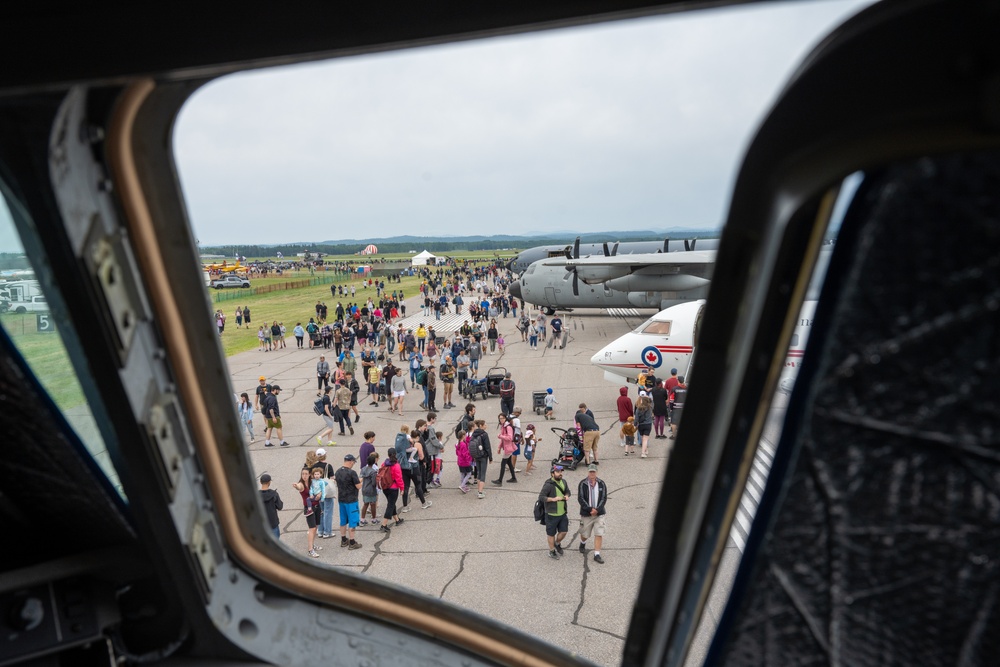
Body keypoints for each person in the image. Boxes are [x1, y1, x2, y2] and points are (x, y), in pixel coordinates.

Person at [577, 464, 608, 563]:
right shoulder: (583, 483)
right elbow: (580, 498)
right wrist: (590, 509)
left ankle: (597, 554)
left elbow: (604, 498)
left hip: (599, 514)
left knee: (599, 533)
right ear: (588, 472)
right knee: (585, 534)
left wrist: (597, 510)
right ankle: (583, 542)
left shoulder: (602, 483)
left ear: (596, 472)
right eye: (590, 472)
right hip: (587, 514)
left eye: (593, 472)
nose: (592, 473)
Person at [540, 465, 571, 559]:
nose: (560, 473)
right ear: (552, 474)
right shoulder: (548, 485)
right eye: (558, 472)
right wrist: (553, 499)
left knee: (564, 531)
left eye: (561, 471)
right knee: (551, 534)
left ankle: (557, 543)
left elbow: (568, 491)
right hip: (551, 514)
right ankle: (552, 551)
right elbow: (541, 497)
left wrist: (566, 495)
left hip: (562, 513)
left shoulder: (564, 482)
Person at [335, 454, 363, 550]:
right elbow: (358, 486)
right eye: (353, 462)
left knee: (343, 521)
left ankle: (343, 540)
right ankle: (352, 542)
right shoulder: (352, 473)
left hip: (341, 500)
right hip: (351, 500)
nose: (353, 464)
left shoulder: (338, 472)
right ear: (351, 461)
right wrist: (361, 481)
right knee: (352, 521)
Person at [293, 467, 321, 558]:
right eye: (302, 474)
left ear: (309, 474)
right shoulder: (301, 484)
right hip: (309, 508)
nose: (304, 476)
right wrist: (296, 486)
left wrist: (319, 494)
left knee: (316, 527)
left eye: (306, 474)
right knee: (311, 528)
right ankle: (310, 550)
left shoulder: (313, 482)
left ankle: (312, 544)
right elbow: (299, 487)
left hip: (317, 506)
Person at [310, 449, 336, 539]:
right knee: (328, 512)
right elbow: (332, 478)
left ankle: (320, 531)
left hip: (317, 492)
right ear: (325, 455)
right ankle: (327, 532)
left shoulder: (314, 466)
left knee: (321, 511)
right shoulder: (328, 466)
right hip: (326, 492)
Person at [379, 449, 404, 533]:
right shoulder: (396, 465)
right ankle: (384, 524)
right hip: (393, 487)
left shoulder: (384, 463)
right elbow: (399, 478)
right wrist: (402, 488)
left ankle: (397, 520)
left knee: (391, 503)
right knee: (390, 504)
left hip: (385, 487)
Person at [469, 419, 493, 499]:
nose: (486, 426)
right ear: (481, 426)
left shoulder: (474, 434)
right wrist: (490, 457)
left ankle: (479, 489)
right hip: (483, 456)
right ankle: (480, 492)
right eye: (485, 425)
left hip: (476, 456)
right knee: (483, 474)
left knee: (479, 472)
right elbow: (487, 447)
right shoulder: (484, 434)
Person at [492, 413, 517, 486]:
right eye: (500, 418)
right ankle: (513, 478)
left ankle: (500, 480)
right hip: (507, 448)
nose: (501, 420)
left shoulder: (508, 427)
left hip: (509, 448)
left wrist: (500, 436)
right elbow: (503, 439)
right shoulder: (504, 426)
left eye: (502, 418)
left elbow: (510, 438)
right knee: (509, 463)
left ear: (505, 418)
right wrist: (499, 447)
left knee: (503, 463)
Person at [259, 473, 283, 540]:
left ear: (260, 482)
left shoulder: (256, 495)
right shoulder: (274, 494)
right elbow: (280, 506)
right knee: (276, 543)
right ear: (269, 482)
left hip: (262, 524)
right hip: (273, 523)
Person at [359, 452, 379, 526]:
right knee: (373, 504)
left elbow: (361, 477)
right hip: (371, 489)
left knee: (365, 504)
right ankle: (374, 519)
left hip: (364, 488)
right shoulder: (373, 472)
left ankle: (362, 519)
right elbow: (374, 483)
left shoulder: (363, 469)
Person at [455, 429, 474, 493]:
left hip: (460, 461)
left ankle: (463, 485)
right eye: (465, 435)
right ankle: (462, 485)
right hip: (465, 462)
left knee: (462, 473)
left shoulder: (458, 443)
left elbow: (457, 453)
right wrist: (469, 459)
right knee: (469, 473)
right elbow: (465, 454)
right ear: (463, 436)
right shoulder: (463, 444)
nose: (466, 436)